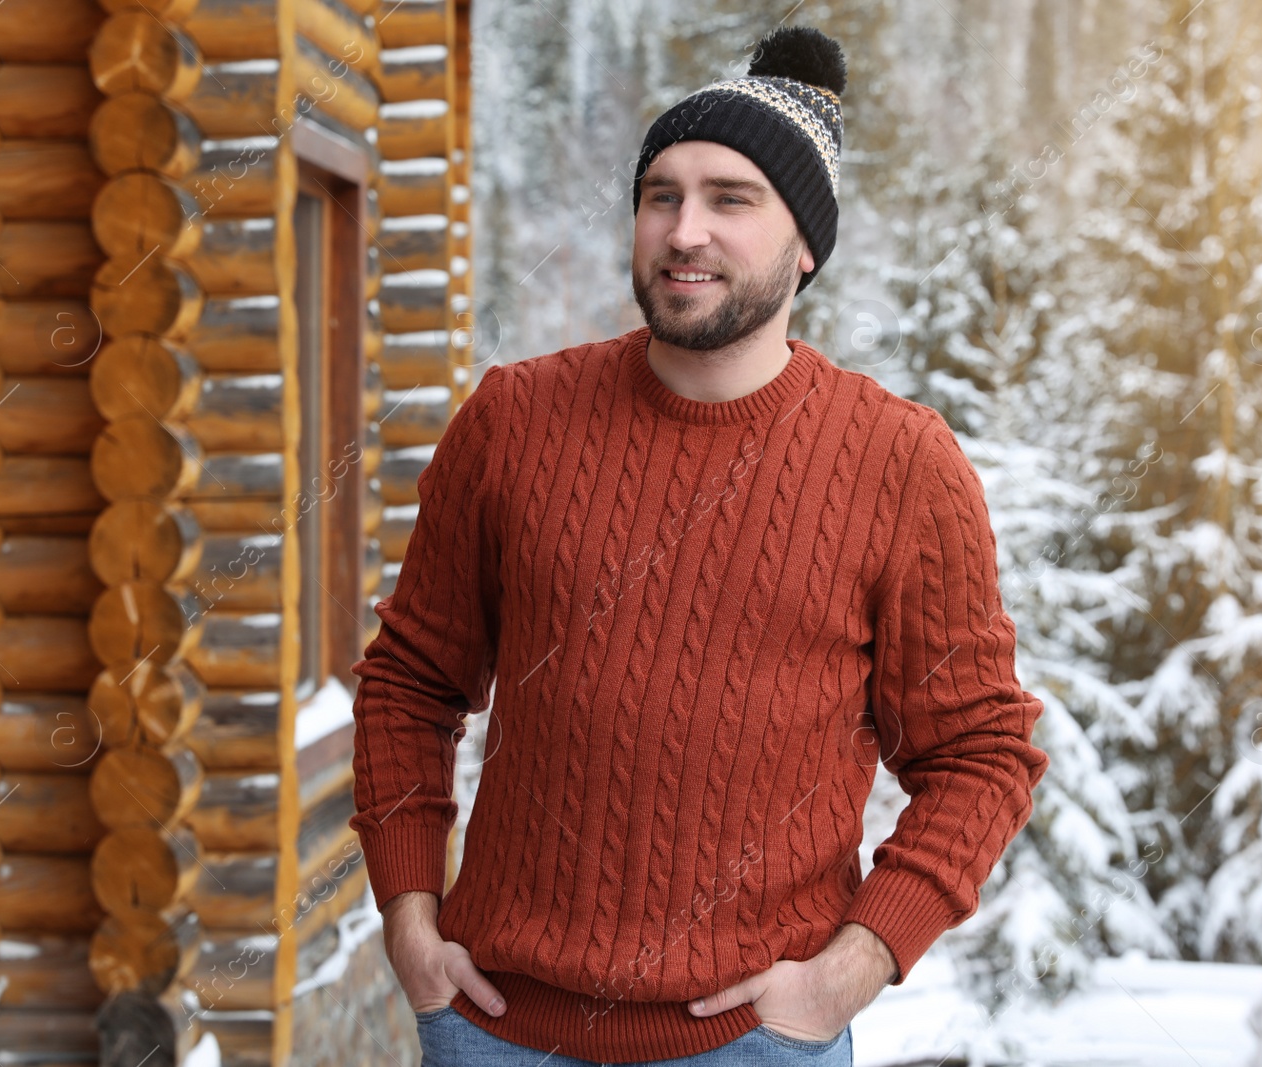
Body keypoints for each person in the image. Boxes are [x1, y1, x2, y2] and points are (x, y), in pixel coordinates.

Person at [350, 24, 1048, 1067]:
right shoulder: (512, 420)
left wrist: (848, 971)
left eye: (731, 199)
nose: (685, 230)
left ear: (804, 242)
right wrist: (410, 921)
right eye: (660, 195)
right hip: (496, 1028)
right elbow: (409, 682)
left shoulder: (899, 463)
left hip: (751, 1041)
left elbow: (980, 751)